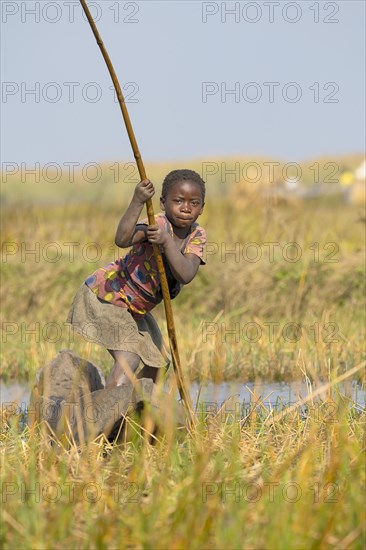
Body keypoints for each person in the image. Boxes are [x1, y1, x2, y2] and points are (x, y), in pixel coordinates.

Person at [66, 169, 206, 389]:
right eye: (178, 201)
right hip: (108, 296)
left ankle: (129, 408)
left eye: (194, 203)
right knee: (129, 358)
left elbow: (186, 274)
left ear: (201, 209)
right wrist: (137, 201)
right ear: (162, 203)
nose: (186, 208)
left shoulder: (196, 235)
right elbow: (122, 239)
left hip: (136, 310)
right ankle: (105, 416)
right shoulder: (156, 224)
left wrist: (167, 242)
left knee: (157, 364)